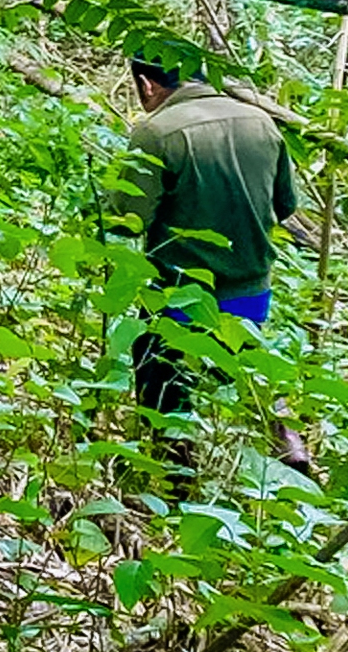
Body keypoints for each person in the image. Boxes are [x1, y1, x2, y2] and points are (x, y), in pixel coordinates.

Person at [109, 54, 313, 479]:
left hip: (180, 289)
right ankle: (283, 432)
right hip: (253, 283)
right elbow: (286, 205)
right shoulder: (261, 122)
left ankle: (173, 473)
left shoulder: (155, 131)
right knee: (243, 360)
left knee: (164, 379)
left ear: (147, 86)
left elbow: (129, 220)